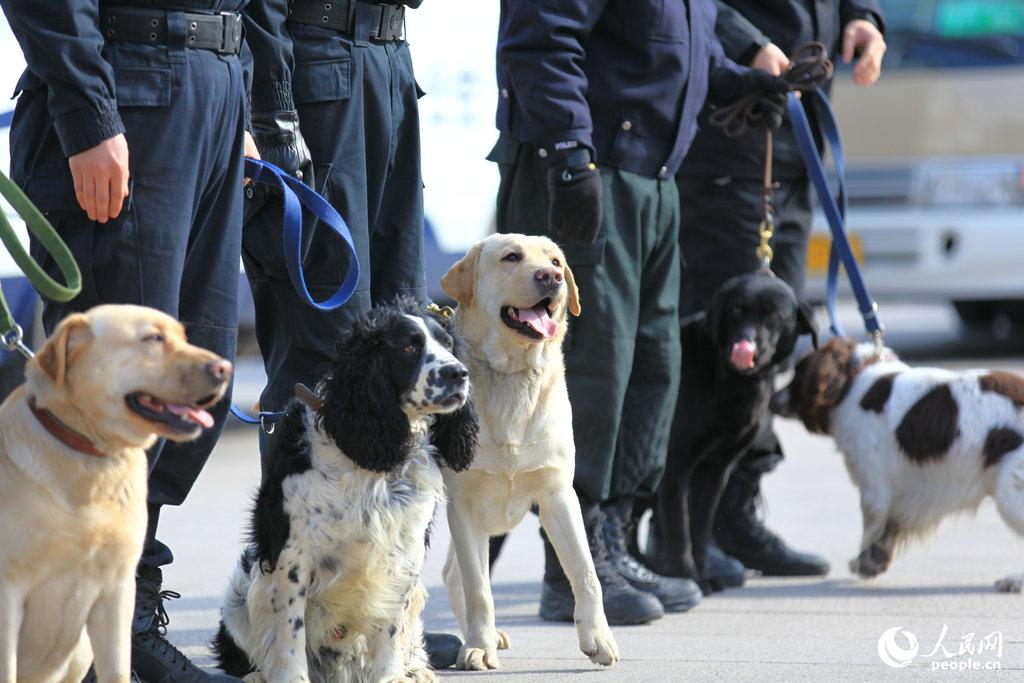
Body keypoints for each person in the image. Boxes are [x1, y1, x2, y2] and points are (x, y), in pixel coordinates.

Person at [491, 0, 788, 625]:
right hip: (590, 166)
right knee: (595, 369)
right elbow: (542, 37)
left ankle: (613, 536)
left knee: (651, 364)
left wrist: (737, 82)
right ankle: (571, 561)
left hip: (654, 177)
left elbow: (682, 41)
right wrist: (571, 150)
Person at [0, 1, 252, 680]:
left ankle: (118, 607)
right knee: (112, 397)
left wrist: (240, 95)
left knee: (194, 380)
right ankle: (113, 626)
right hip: (126, 86)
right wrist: (88, 115)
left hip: (212, 85)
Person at [240, 0, 461, 669]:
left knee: (401, 347)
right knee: (324, 352)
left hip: (388, 62)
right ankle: (295, 621)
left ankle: (382, 615)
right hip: (317, 75)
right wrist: (275, 115)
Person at [674, 0, 886, 579]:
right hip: (732, 133)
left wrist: (861, 18)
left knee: (769, 347)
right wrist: (744, 43)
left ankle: (733, 513)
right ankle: (689, 527)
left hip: (797, 141)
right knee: (722, 348)